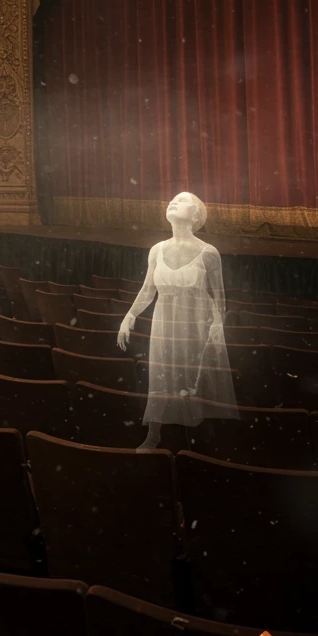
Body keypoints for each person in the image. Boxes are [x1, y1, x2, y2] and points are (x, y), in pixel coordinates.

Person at [117, 191, 237, 450]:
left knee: (192, 373)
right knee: (161, 373)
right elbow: (148, 289)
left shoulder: (208, 252)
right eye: (172, 199)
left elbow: (220, 297)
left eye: (183, 200)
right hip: (165, 322)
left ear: (195, 215)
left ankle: (196, 436)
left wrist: (218, 325)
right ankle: (154, 433)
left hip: (197, 321)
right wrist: (130, 315)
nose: (173, 201)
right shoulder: (157, 250)